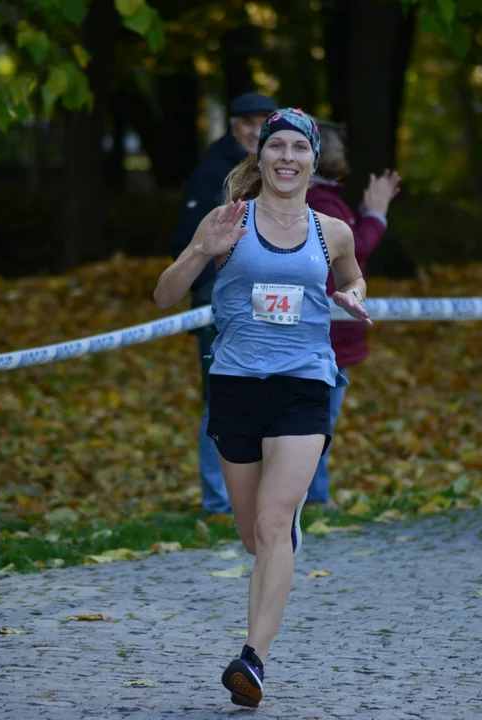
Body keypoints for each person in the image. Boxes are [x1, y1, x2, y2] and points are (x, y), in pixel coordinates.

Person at [153, 109, 371, 707]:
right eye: (275, 145)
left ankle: (253, 661)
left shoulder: (333, 232)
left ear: (312, 161)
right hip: (235, 387)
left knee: (275, 525)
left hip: (304, 385)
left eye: (298, 148)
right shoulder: (227, 221)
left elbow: (353, 277)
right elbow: (164, 295)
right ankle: (282, 532)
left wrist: (351, 298)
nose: (286, 157)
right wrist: (201, 250)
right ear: (261, 157)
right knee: (255, 536)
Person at [171, 91, 277, 516]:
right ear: (233, 125)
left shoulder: (278, 170)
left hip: (269, 302)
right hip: (218, 306)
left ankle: (264, 495)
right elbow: (186, 245)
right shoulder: (210, 173)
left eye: (263, 122)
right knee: (222, 399)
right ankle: (218, 502)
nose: (255, 131)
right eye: (248, 122)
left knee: (270, 395)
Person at [304, 122, 400, 506]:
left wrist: (364, 212)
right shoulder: (322, 201)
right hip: (327, 334)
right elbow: (353, 247)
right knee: (318, 420)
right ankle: (314, 496)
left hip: (334, 331)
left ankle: (313, 494)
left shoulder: (326, 199)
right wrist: (376, 215)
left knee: (319, 418)